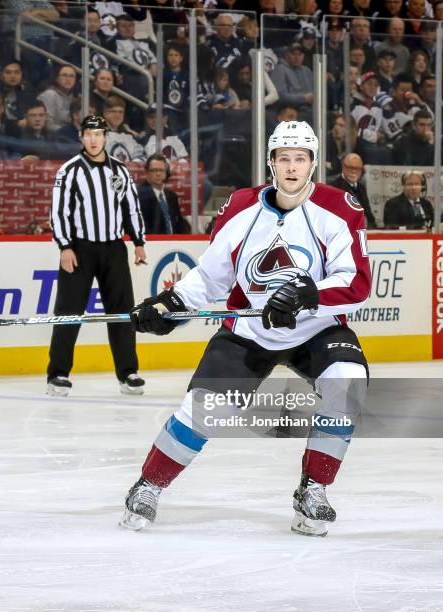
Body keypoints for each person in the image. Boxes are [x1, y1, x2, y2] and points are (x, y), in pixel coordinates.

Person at [119, 121, 371, 537]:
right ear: (271, 162)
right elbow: (211, 276)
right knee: (205, 410)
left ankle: (314, 489)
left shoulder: (340, 207)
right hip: (251, 330)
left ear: (313, 164)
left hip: (315, 328)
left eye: (300, 159)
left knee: (348, 383)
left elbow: (357, 282)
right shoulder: (240, 206)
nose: (292, 167)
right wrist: (170, 304)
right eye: (284, 158)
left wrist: (307, 296)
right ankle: (148, 485)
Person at [47, 115, 147, 397]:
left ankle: (128, 372)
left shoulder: (120, 171)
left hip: (114, 248)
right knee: (68, 312)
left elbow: (131, 208)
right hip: (79, 248)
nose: (93, 139)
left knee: (122, 312)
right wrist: (65, 246)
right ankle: (58, 374)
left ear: (106, 137)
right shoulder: (69, 171)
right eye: (88, 134)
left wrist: (138, 242)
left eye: (98, 134)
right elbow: (59, 212)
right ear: (81, 137)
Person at [137, 154, 191, 235]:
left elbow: (179, 224)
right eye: (154, 170)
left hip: (174, 244)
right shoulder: (139, 195)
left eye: (161, 170)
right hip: (152, 243)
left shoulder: (172, 196)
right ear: (147, 172)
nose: (158, 174)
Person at [329, 153, 375, 227]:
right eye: (350, 167)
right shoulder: (334, 187)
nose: (353, 171)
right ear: (343, 167)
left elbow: (368, 214)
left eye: (357, 168)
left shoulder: (361, 188)